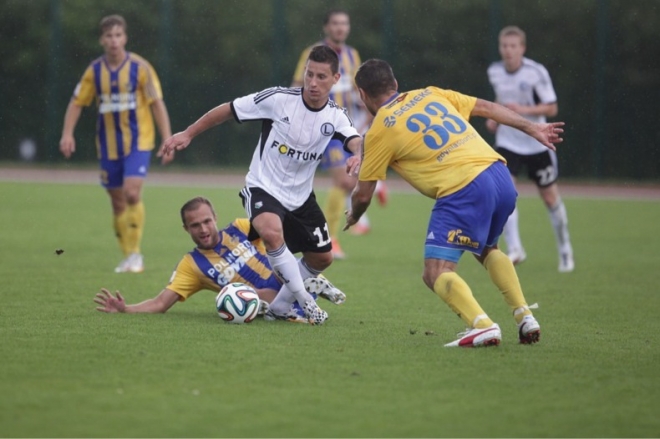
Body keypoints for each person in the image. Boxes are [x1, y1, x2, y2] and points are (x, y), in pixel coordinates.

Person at [345, 59, 564, 347]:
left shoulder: (380, 131)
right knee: (487, 248)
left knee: (435, 272)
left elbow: (363, 194)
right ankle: (524, 316)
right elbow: (487, 107)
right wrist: (532, 128)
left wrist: (354, 215)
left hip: (464, 189)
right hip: (498, 176)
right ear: (395, 84)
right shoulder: (430, 93)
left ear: (362, 94)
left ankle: (482, 324)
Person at [160, 46, 362, 325]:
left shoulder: (335, 116)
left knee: (322, 258)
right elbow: (229, 109)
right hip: (263, 187)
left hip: (301, 198)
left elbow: (354, 139)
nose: (313, 83)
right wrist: (189, 133)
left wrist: (358, 154)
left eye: (322, 77)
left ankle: (280, 307)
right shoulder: (278, 99)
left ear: (336, 78)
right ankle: (304, 300)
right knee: (270, 232)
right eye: (309, 74)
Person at [94, 197, 346, 321]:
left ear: (215, 217)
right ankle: (305, 289)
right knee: (250, 292)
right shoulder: (191, 265)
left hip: (284, 283)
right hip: (260, 302)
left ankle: (309, 280)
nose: (203, 229)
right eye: (195, 225)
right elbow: (161, 303)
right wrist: (126, 309)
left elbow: (277, 236)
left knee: (280, 255)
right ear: (186, 229)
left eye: (206, 221)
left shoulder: (240, 227)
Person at [59, 14, 173, 274]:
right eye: (109, 36)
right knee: (117, 201)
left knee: (132, 193)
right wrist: (68, 134)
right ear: (102, 39)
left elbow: (157, 104)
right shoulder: (94, 71)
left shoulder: (140, 68)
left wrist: (167, 137)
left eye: (118, 35)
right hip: (108, 145)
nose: (114, 41)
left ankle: (136, 255)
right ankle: (128, 255)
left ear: (125, 38)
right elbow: (76, 102)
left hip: (139, 142)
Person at [292, 9, 388, 258]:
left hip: (347, 127)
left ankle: (326, 236)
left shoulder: (352, 55)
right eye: (335, 23)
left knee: (350, 180)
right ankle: (328, 238)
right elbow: (296, 86)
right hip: (322, 126)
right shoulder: (314, 53)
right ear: (326, 27)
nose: (340, 28)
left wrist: (368, 116)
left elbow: (360, 92)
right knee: (345, 181)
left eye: (344, 24)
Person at [486, 26, 574, 272]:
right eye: (505, 46)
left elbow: (552, 108)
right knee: (505, 193)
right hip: (508, 142)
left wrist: (521, 112)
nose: (509, 51)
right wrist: (495, 116)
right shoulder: (494, 71)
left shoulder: (536, 72)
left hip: (536, 141)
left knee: (549, 197)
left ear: (522, 48)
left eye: (513, 46)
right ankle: (515, 248)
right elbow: (500, 99)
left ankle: (565, 249)